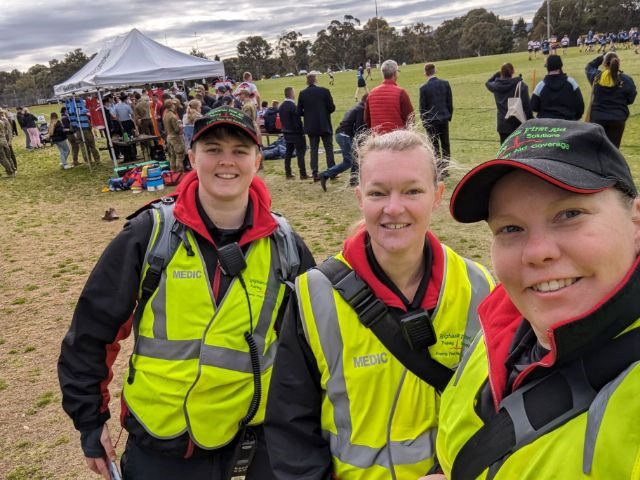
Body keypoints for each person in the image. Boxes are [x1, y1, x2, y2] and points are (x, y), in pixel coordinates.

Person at [58, 106, 315, 480]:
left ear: (258, 160)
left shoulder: (287, 246)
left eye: (240, 151)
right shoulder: (150, 234)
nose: (226, 161)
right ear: (192, 157)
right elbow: (91, 331)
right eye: (213, 149)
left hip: (254, 444)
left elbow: (315, 349)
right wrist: (89, 421)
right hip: (161, 444)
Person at [265, 128, 494, 480]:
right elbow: (291, 426)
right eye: (378, 193)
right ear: (359, 198)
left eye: (412, 191)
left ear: (437, 195)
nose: (393, 208)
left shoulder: (480, 288)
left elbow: (496, 407)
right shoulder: (315, 294)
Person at [422, 118, 640, 480]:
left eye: (569, 214)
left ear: (635, 222)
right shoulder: (498, 326)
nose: (537, 253)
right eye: (510, 228)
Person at [585, 51, 637, 148]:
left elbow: (588, 67)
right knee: (613, 151)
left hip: (598, 118)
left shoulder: (596, 77)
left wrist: (601, 57)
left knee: (597, 150)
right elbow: (631, 99)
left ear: (604, 64)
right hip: (618, 119)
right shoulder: (626, 80)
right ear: (618, 63)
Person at [318, 93, 367, 191]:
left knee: (354, 157)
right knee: (349, 161)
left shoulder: (356, 107)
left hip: (340, 134)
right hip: (345, 135)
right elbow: (358, 127)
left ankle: (354, 180)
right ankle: (325, 175)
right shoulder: (362, 109)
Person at [297, 71, 336, 181]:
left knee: (314, 149)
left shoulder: (302, 94)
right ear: (315, 80)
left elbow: (299, 111)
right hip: (324, 124)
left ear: (307, 81)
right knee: (328, 148)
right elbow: (332, 108)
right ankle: (332, 171)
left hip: (311, 126)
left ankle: (315, 173)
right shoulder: (324, 91)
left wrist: (308, 114)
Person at [485, 63, 533, 143]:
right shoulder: (521, 86)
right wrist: (531, 121)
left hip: (503, 125)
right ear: (513, 72)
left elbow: (488, 83)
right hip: (517, 123)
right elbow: (527, 107)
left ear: (501, 73)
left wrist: (497, 74)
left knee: (505, 152)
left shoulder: (496, 86)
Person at [419, 63, 453, 171]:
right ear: (435, 71)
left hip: (431, 120)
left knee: (434, 146)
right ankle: (446, 167)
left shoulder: (424, 88)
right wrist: (449, 115)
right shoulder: (445, 84)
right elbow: (449, 102)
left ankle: (437, 168)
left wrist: (424, 122)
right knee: (445, 144)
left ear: (425, 73)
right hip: (443, 118)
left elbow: (422, 108)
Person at [364, 59, 414, 134]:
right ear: (395, 73)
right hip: (397, 139)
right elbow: (410, 118)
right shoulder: (401, 93)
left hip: (378, 139)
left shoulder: (371, 93)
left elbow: (367, 119)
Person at [531, 54, 584, 120]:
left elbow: (533, 106)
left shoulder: (541, 85)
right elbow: (580, 105)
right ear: (561, 65)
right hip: (568, 122)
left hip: (545, 124)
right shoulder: (571, 82)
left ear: (547, 67)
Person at [279, 86, 308, 180]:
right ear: (291, 94)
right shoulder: (293, 106)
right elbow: (297, 122)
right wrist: (302, 132)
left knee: (288, 153)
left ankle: (288, 173)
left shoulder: (281, 106)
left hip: (286, 132)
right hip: (296, 133)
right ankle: (303, 174)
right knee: (300, 153)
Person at [162, 99, 186, 173]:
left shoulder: (165, 115)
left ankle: (173, 172)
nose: (175, 106)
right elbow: (177, 130)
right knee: (179, 155)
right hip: (175, 138)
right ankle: (180, 172)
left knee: (172, 156)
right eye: (174, 105)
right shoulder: (173, 116)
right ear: (172, 105)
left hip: (169, 137)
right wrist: (181, 127)